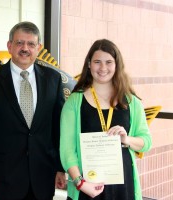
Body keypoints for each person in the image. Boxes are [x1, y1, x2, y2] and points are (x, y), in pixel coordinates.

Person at [0, 21, 66, 200]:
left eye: (31, 44)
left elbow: (58, 128)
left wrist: (60, 168)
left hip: (42, 176)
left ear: (38, 48)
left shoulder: (53, 79)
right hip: (2, 179)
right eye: (19, 43)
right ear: (9, 46)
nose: (25, 48)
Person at [60, 39, 152, 200]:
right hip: (87, 187)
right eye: (97, 62)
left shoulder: (132, 102)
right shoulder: (74, 102)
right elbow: (67, 150)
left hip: (123, 188)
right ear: (89, 64)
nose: (103, 68)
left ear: (117, 65)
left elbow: (146, 142)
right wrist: (80, 183)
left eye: (109, 62)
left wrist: (126, 139)